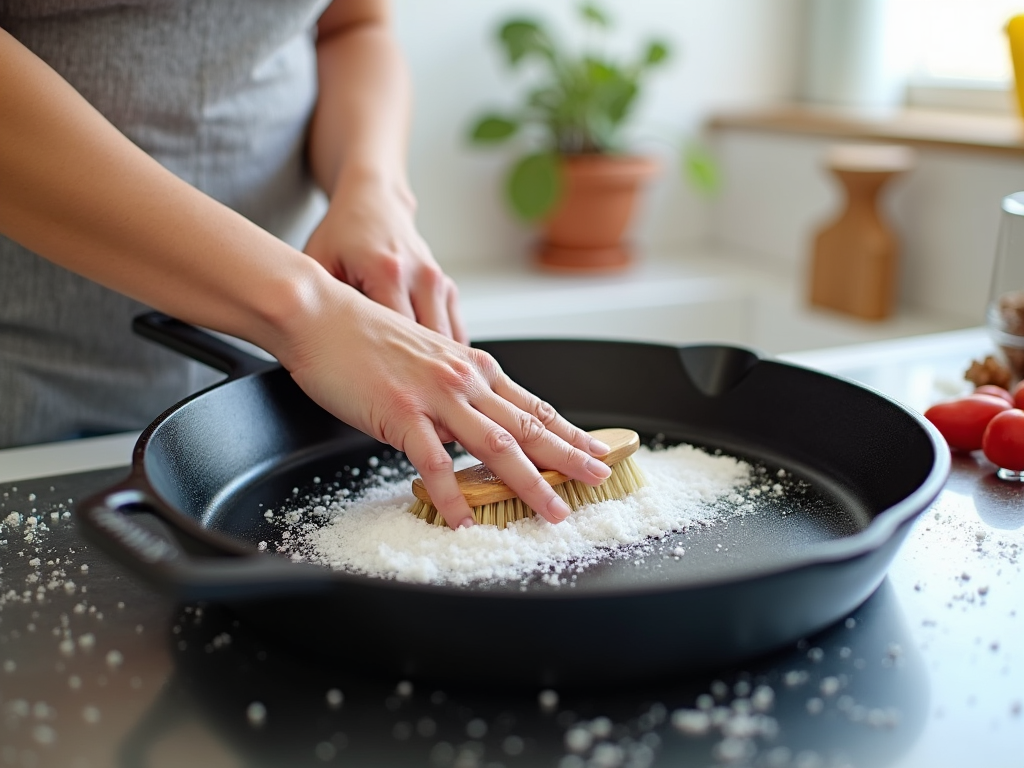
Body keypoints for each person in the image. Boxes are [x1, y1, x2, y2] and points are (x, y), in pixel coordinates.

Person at [0, 0, 613, 529]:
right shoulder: (307, 309)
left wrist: (373, 189)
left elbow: (352, 25)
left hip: (278, 372)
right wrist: (309, 308)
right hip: (26, 383)